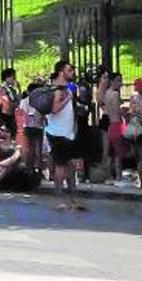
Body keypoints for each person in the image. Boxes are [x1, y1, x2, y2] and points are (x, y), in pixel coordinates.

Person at [46, 61, 84, 211]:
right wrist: (68, 98)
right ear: (62, 73)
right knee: (61, 167)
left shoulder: (66, 89)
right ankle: (58, 199)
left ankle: (73, 199)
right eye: (69, 70)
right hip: (58, 133)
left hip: (68, 133)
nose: (72, 72)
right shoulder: (58, 91)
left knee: (71, 167)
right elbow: (54, 109)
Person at [100, 72, 127, 183]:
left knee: (111, 152)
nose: (120, 83)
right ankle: (119, 176)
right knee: (118, 154)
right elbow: (117, 110)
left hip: (111, 125)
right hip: (117, 124)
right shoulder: (115, 94)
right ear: (112, 82)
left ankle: (109, 175)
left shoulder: (106, 94)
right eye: (118, 81)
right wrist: (125, 112)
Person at [0, 125, 27, 191]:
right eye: (0, 129)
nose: (0, 131)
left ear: (9, 133)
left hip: (12, 168)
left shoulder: (16, 146)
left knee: (7, 167)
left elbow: (13, 159)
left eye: (2, 130)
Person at [20, 77, 47, 173]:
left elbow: (22, 112)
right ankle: (37, 168)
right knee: (37, 148)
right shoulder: (39, 100)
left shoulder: (24, 101)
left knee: (29, 148)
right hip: (37, 126)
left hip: (27, 126)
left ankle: (29, 167)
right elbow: (41, 113)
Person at [0, 68, 19, 135]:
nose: (15, 78)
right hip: (4, 119)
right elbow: (7, 105)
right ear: (7, 77)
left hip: (11, 119)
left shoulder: (12, 89)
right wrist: (15, 104)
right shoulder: (1, 89)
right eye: (13, 76)